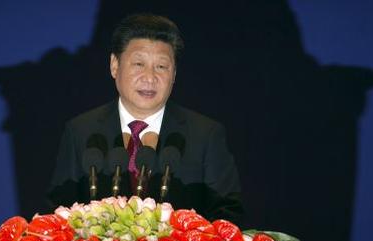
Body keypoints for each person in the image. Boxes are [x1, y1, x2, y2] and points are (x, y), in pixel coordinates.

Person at [46, 13, 243, 224]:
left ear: (174, 74)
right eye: (139, 64)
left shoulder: (206, 134)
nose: (150, 77)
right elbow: (59, 215)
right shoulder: (80, 132)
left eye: (161, 66)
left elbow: (227, 218)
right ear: (114, 65)